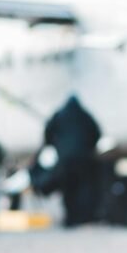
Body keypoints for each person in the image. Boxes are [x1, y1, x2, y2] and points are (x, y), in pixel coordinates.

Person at [34, 95, 102, 227]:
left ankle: (70, 219)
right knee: (83, 188)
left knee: (68, 189)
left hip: (65, 159)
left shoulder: (59, 115)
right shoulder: (84, 115)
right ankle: (83, 218)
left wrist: (54, 144)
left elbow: (48, 131)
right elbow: (97, 132)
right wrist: (89, 146)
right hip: (83, 158)